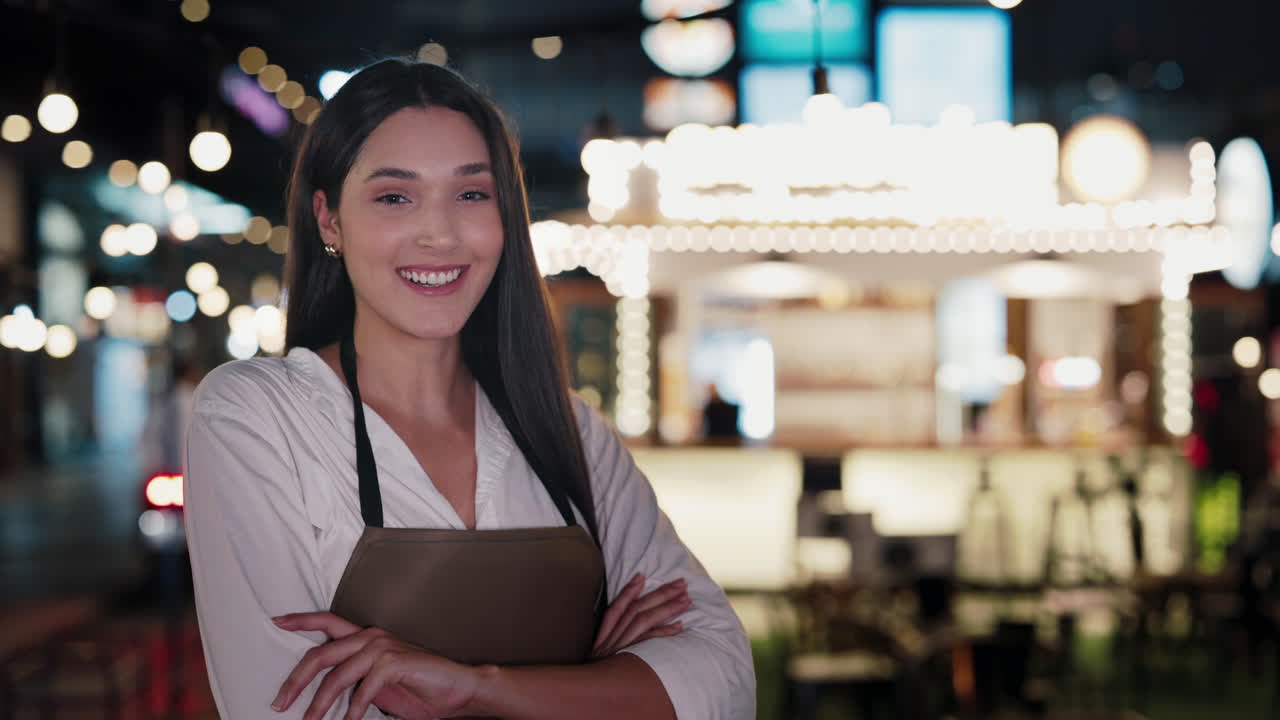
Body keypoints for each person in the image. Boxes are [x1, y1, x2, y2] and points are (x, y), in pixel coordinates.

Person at [183, 57, 754, 720]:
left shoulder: (567, 432)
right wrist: (589, 682)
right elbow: (284, 709)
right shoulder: (256, 418)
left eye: (472, 194)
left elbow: (725, 682)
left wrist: (481, 688)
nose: (441, 233)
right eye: (395, 196)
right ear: (329, 220)